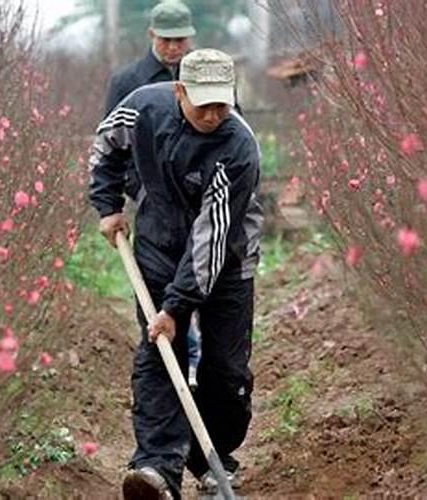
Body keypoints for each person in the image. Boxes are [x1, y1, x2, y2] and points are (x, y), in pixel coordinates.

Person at [89, 48, 262, 500]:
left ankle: (213, 458)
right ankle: (156, 467)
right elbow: (106, 146)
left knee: (226, 371)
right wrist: (108, 205)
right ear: (180, 90)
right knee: (160, 355)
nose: (212, 113)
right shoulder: (143, 108)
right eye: (202, 102)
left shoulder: (239, 147)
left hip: (227, 259)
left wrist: (175, 305)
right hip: (158, 244)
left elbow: (212, 240)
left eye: (222, 103)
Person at [104, 0, 202, 388]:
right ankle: (170, 379)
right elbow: (112, 147)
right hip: (153, 211)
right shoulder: (127, 82)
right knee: (158, 293)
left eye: (181, 39)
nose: (175, 47)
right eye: (167, 39)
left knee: (198, 281)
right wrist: (138, 192)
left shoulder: (206, 76)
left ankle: (198, 369)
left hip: (199, 207)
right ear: (152, 36)